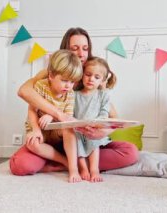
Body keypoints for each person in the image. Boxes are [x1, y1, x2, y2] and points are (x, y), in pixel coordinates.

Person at [10, 27, 139, 179]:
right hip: (52, 139)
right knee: (20, 165)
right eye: (75, 48)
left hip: (84, 142)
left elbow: (113, 115)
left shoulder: (93, 73)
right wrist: (57, 114)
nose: (81, 53)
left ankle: (65, 164)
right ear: (66, 49)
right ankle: (66, 162)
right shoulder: (51, 72)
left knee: (131, 152)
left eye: (85, 48)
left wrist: (103, 132)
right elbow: (24, 91)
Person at [17, 49, 83, 183]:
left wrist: (51, 116)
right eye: (64, 80)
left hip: (57, 130)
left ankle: (73, 168)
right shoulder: (41, 85)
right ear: (51, 76)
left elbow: (66, 118)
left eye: (72, 82)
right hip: (40, 129)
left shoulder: (70, 94)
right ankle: (64, 161)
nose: (68, 86)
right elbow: (32, 109)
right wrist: (35, 130)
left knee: (69, 129)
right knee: (32, 144)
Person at [69, 57, 117, 182]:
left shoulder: (103, 95)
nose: (91, 79)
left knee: (94, 140)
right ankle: (83, 168)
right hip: (78, 128)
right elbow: (70, 113)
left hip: (94, 129)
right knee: (75, 139)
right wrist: (77, 125)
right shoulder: (75, 95)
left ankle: (94, 169)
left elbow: (104, 113)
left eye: (97, 77)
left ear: (102, 81)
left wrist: (96, 125)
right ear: (82, 75)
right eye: (88, 75)